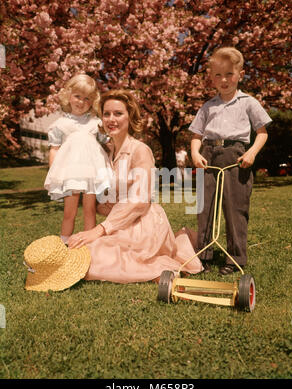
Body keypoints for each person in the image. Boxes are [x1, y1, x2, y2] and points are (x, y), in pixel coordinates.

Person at [68, 89, 203, 283]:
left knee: (96, 261)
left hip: (143, 223)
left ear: (130, 117)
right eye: (106, 114)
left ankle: (166, 264)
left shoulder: (140, 151)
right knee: (84, 254)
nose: (111, 119)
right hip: (117, 223)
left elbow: (139, 200)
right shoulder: (104, 151)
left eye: (118, 113)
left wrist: (100, 229)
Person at [189, 47, 272, 275]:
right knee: (204, 208)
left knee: (235, 209)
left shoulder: (248, 102)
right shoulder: (208, 106)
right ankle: (204, 256)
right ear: (211, 77)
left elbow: (262, 132)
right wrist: (196, 154)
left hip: (236, 158)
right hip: (209, 157)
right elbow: (196, 136)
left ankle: (235, 258)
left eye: (229, 74)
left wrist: (252, 152)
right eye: (218, 75)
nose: (223, 80)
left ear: (240, 74)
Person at [44, 74, 112, 244]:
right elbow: (54, 149)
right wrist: (54, 174)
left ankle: (89, 245)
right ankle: (64, 244)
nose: (81, 102)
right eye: (77, 96)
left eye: (87, 98)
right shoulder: (60, 124)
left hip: (91, 173)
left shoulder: (96, 123)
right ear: (68, 95)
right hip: (70, 174)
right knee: (69, 212)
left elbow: (109, 143)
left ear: (93, 101)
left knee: (89, 210)